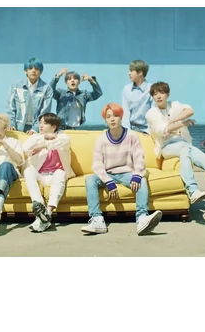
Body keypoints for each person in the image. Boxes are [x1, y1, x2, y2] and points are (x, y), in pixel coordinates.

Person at [81, 103, 162, 236]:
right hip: (108, 174)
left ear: (121, 117)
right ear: (105, 120)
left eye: (115, 115)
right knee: (90, 180)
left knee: (142, 181)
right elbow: (97, 164)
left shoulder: (132, 136)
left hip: (127, 173)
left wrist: (137, 175)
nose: (112, 119)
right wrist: (108, 181)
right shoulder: (101, 139)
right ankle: (97, 220)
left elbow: (139, 158)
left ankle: (142, 218)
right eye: (108, 117)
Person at [22, 113, 75, 232]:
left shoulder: (63, 137)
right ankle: (39, 206)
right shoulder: (36, 137)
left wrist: (43, 145)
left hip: (55, 174)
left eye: (45, 123)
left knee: (60, 173)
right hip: (40, 174)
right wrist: (44, 138)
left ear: (54, 127)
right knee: (28, 170)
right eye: (40, 123)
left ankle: (48, 212)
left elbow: (60, 142)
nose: (41, 126)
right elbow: (25, 148)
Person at [6, 57, 53, 134]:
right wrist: (11, 124)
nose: (33, 71)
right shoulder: (16, 86)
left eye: (36, 68)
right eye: (30, 68)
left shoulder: (47, 89)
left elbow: (45, 112)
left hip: (36, 129)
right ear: (26, 71)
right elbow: (10, 107)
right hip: (17, 127)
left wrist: (35, 129)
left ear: (40, 72)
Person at [121, 59, 153, 134]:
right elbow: (125, 111)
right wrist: (126, 131)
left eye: (131, 71)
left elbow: (154, 112)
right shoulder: (127, 89)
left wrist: (148, 131)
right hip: (130, 129)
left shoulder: (151, 89)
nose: (129, 73)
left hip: (146, 130)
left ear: (140, 73)